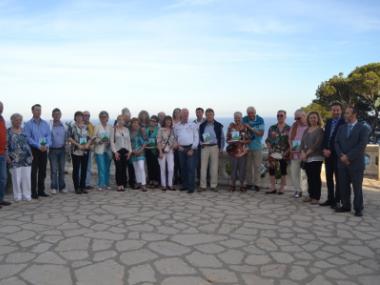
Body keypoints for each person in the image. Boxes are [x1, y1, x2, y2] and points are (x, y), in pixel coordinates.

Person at [335, 106, 370, 217]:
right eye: (345, 113)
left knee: (357, 187)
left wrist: (348, 157)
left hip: (356, 163)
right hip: (342, 162)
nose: (345, 115)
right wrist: (342, 156)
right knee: (343, 186)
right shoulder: (341, 128)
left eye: (347, 113)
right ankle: (346, 206)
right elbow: (336, 143)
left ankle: (358, 208)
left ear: (354, 114)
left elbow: (361, 145)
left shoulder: (363, 128)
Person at [320, 102, 345, 208]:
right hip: (327, 155)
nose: (335, 112)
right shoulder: (329, 121)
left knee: (338, 179)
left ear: (341, 111)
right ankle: (330, 199)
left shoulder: (344, 122)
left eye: (337, 110)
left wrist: (331, 150)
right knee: (329, 178)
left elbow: (341, 140)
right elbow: (325, 137)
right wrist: (324, 149)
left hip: (337, 155)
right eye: (333, 110)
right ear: (331, 111)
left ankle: (337, 200)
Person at [24, 104, 51, 199]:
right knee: (33, 172)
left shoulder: (45, 123)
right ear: (32, 111)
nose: (38, 112)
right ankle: (33, 192)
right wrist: (38, 146)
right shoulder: (28, 124)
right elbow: (28, 138)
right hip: (34, 150)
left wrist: (46, 145)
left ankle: (41, 191)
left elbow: (48, 136)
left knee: (43, 171)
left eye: (40, 110)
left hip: (44, 149)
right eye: (36, 110)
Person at [7, 114, 33, 201]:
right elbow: (5, 145)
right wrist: (7, 156)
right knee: (16, 178)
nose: (18, 122)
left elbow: (27, 143)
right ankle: (17, 196)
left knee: (26, 177)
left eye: (20, 120)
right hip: (14, 158)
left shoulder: (24, 131)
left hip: (26, 158)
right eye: (16, 120)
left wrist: (31, 154)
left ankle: (27, 195)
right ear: (12, 121)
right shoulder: (8, 132)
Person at [300, 112, 324, 204]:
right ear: (308, 119)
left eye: (314, 118)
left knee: (315, 177)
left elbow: (316, 145)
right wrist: (302, 152)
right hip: (307, 157)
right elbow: (302, 142)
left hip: (316, 157)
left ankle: (316, 197)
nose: (313, 119)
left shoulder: (320, 130)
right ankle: (311, 195)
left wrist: (306, 154)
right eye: (311, 118)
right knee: (309, 177)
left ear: (318, 119)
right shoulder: (306, 130)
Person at [174, 108, 199, 193]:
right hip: (181, 149)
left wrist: (192, 149)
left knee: (191, 168)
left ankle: (191, 187)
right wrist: (178, 146)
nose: (185, 115)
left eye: (186, 114)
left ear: (188, 115)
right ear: (181, 115)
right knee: (183, 168)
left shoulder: (193, 125)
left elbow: (196, 138)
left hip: (191, 148)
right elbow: (175, 138)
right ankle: (185, 185)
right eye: (183, 114)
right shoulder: (176, 126)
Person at [265, 110, 290, 195]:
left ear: (285, 117)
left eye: (281, 115)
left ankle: (282, 187)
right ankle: (272, 187)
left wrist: (287, 152)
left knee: (283, 170)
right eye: (278, 115)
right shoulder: (272, 128)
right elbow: (268, 140)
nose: (279, 117)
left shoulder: (289, 128)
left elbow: (291, 142)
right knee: (271, 170)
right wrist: (270, 149)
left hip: (284, 153)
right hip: (273, 152)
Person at [199, 108, 224, 191]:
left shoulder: (218, 125)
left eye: (211, 114)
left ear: (213, 115)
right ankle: (203, 186)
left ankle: (213, 185)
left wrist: (221, 148)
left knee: (214, 167)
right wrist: (201, 143)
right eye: (208, 115)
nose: (209, 116)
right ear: (205, 116)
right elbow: (199, 136)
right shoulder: (202, 125)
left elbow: (222, 138)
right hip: (205, 147)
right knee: (203, 167)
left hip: (214, 147)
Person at [68, 111, 93, 194]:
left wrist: (87, 145)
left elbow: (89, 138)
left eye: (80, 116)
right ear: (75, 117)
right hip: (76, 151)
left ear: (82, 118)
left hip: (85, 151)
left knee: (84, 169)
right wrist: (78, 145)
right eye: (77, 116)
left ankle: (83, 187)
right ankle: (77, 187)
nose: (79, 118)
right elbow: (69, 138)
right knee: (76, 169)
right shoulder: (72, 126)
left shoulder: (85, 127)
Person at [226, 111, 249, 192]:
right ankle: (232, 185)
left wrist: (243, 142)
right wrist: (233, 141)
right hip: (233, 151)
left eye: (239, 118)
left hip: (243, 152)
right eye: (236, 118)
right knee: (233, 168)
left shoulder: (245, 127)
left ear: (241, 118)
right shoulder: (231, 127)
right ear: (234, 119)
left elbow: (249, 140)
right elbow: (227, 140)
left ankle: (242, 185)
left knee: (242, 169)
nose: (237, 119)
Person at [243, 106, 265, 191]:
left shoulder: (260, 120)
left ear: (255, 112)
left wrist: (250, 128)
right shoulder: (244, 119)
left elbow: (261, 133)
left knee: (257, 167)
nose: (250, 115)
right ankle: (248, 183)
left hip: (257, 147)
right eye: (248, 113)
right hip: (247, 147)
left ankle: (257, 184)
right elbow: (241, 130)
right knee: (248, 167)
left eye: (252, 113)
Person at [288, 109, 308, 198]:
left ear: (304, 116)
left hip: (305, 154)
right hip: (295, 153)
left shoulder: (309, 126)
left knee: (305, 175)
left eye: (298, 118)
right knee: (294, 173)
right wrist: (291, 147)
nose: (296, 120)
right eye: (295, 118)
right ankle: (297, 190)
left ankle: (307, 192)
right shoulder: (294, 125)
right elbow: (289, 138)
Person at [111, 115, 132, 191]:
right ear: (117, 120)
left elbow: (129, 141)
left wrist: (130, 151)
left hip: (125, 150)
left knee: (124, 168)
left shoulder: (126, 129)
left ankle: (123, 183)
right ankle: (119, 184)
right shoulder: (114, 129)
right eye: (119, 119)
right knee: (118, 168)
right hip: (117, 151)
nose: (121, 121)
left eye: (122, 120)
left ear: (124, 121)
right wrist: (115, 152)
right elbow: (112, 142)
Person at [49, 108, 68, 194]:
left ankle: (62, 187)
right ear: (52, 115)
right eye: (55, 114)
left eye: (58, 114)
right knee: (53, 170)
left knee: (61, 169)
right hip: (52, 150)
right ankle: (53, 187)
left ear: (60, 115)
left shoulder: (64, 125)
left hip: (62, 150)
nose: (57, 116)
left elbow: (67, 137)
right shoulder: (49, 125)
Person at [94, 111, 113, 191]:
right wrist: (99, 141)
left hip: (108, 150)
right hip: (99, 149)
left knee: (107, 168)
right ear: (99, 118)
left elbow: (112, 138)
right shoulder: (97, 126)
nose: (103, 118)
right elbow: (94, 137)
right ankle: (101, 184)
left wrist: (109, 142)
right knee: (101, 167)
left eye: (105, 117)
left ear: (108, 118)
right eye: (102, 117)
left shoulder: (110, 127)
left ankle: (107, 183)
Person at [157, 116, 177, 191]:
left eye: (169, 121)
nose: (168, 122)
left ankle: (170, 184)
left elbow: (175, 139)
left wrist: (175, 145)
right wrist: (160, 152)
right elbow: (158, 141)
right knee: (163, 169)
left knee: (171, 168)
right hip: (162, 150)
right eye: (167, 121)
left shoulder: (173, 130)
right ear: (164, 121)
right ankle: (163, 185)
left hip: (170, 151)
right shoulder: (161, 130)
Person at [120, 107, 136, 189]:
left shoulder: (131, 124)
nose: (128, 117)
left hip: (130, 147)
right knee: (122, 166)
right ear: (123, 115)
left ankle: (132, 182)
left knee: (131, 165)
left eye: (129, 116)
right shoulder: (118, 123)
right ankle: (123, 182)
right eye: (126, 116)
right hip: (121, 148)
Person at [130, 118, 147, 191]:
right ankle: (138, 182)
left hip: (141, 152)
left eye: (136, 123)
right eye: (134, 123)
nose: (135, 124)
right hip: (133, 152)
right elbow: (128, 143)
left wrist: (140, 150)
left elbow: (146, 141)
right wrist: (132, 151)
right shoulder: (130, 132)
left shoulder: (141, 131)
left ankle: (143, 184)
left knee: (141, 167)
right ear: (131, 124)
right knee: (136, 169)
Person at [0, 101, 11, 207]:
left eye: (2, 107)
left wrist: (7, 153)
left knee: (3, 178)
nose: (1, 109)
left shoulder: (2, 119)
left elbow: (4, 137)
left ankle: (1, 199)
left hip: (3, 154)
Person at [145, 115, 161, 188]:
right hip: (147, 149)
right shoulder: (146, 129)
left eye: (154, 121)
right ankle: (150, 179)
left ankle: (156, 180)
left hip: (155, 149)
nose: (152, 122)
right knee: (149, 165)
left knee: (155, 165)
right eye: (151, 121)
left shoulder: (158, 129)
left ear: (156, 122)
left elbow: (159, 139)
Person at [83, 111, 95, 189]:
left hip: (89, 148)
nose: (87, 117)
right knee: (81, 167)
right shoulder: (79, 125)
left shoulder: (91, 125)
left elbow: (93, 137)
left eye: (88, 115)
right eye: (85, 115)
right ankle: (81, 183)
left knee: (88, 167)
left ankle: (87, 183)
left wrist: (91, 145)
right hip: (81, 148)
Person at [193, 107, 205, 184]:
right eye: (197, 112)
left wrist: (206, 142)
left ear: (202, 113)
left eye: (200, 112)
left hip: (204, 145)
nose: (198, 114)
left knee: (204, 163)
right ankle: (198, 179)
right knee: (197, 163)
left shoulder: (206, 122)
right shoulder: (193, 122)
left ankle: (204, 180)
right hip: (196, 145)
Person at [172, 108, 182, 185]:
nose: (177, 113)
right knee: (175, 163)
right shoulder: (171, 122)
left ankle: (181, 178)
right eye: (176, 112)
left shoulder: (183, 122)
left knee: (181, 163)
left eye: (179, 112)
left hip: (182, 145)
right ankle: (175, 178)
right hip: (173, 145)